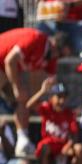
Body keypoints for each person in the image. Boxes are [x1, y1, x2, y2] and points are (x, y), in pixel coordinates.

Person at [0, 27, 71, 156]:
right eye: (60, 53)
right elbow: (9, 61)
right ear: (54, 44)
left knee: (24, 98)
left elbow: (48, 86)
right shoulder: (35, 39)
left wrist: (40, 97)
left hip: (7, 68)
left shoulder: (51, 58)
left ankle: (22, 139)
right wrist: (17, 87)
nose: (58, 57)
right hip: (4, 63)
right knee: (20, 92)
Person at [28, 81, 82, 164]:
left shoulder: (69, 113)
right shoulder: (47, 108)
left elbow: (74, 133)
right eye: (59, 97)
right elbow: (29, 105)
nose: (62, 101)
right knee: (44, 147)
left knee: (80, 148)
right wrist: (42, 91)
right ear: (52, 97)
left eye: (64, 97)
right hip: (50, 143)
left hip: (64, 144)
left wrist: (69, 145)